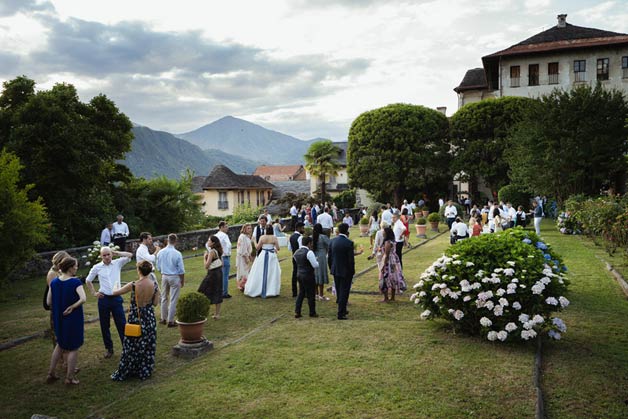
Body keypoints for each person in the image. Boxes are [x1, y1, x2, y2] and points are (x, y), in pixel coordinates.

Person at [111, 260, 160, 381]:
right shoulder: (154, 285)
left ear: (138, 270)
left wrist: (115, 286)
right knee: (147, 344)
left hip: (135, 317)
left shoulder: (133, 285)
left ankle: (129, 368)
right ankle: (144, 369)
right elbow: (155, 303)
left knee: (132, 345)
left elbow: (115, 293)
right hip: (148, 317)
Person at [86, 247, 133, 359]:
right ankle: (109, 349)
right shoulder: (97, 267)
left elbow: (130, 255)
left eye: (108, 254)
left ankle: (126, 348)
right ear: (101, 256)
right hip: (104, 299)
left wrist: (117, 252)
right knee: (104, 325)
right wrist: (94, 293)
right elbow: (88, 280)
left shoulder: (117, 263)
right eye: (104, 255)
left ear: (111, 254)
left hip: (116, 298)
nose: (107, 257)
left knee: (121, 323)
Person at [46, 257, 86, 385]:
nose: (76, 268)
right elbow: (83, 298)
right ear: (69, 267)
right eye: (75, 266)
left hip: (59, 318)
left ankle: (51, 373)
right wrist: (72, 307)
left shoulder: (54, 282)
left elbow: (48, 302)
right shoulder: (75, 282)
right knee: (74, 347)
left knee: (60, 344)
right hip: (73, 318)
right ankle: (69, 377)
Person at [328, 223, 362, 320]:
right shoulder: (348, 243)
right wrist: (352, 270)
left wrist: (331, 267)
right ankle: (341, 312)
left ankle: (342, 308)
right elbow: (350, 259)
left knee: (339, 290)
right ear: (347, 231)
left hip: (335, 269)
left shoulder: (332, 241)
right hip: (345, 270)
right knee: (344, 291)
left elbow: (330, 257)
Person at [156, 233, 185, 327]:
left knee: (164, 297)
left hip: (164, 275)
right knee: (173, 299)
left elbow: (158, 267)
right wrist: (182, 280)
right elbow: (181, 269)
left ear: (167, 240)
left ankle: (163, 318)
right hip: (174, 276)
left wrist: (163, 271)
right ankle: (170, 320)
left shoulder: (160, 252)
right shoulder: (177, 253)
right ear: (175, 241)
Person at [244, 225, 281, 298]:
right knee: (271, 272)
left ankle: (258, 288)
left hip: (263, 255)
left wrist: (254, 241)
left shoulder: (262, 237)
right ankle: (271, 290)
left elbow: (257, 248)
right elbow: (278, 248)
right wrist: (273, 247)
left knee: (259, 272)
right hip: (271, 256)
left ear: (266, 230)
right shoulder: (274, 238)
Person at [45, 251, 70, 348]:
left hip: (63, 304)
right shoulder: (52, 274)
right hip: (57, 306)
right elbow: (54, 292)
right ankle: (61, 357)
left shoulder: (59, 271)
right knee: (58, 333)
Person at [198, 236, 224, 319]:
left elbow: (206, 265)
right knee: (217, 291)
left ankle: (202, 312)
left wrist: (204, 257)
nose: (207, 242)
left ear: (213, 243)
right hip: (219, 272)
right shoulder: (219, 250)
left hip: (212, 274)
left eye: (209, 240)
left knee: (202, 290)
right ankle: (217, 314)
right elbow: (222, 263)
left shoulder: (212, 252)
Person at [294, 236, 319, 318]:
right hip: (308, 274)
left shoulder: (296, 252)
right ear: (309, 243)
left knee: (301, 293)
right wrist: (316, 260)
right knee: (311, 294)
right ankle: (312, 312)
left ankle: (297, 311)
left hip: (299, 274)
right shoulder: (309, 252)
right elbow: (315, 265)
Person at [379, 227, 405, 302]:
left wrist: (384, 264)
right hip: (394, 260)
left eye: (383, 232)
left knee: (385, 277)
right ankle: (392, 297)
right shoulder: (393, 241)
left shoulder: (387, 242)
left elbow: (387, 254)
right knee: (393, 277)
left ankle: (386, 297)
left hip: (389, 261)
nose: (382, 233)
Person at [312, 223, 331, 301]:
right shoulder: (323, 237)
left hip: (314, 256)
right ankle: (321, 295)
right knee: (321, 275)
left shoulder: (312, 237)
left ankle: (316, 294)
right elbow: (330, 244)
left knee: (315, 275)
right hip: (322, 257)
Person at [215, 221, 232, 298]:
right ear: (221, 227)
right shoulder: (224, 235)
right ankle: (224, 293)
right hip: (224, 257)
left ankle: (219, 291)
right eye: (226, 227)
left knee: (219, 276)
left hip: (217, 257)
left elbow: (207, 245)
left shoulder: (215, 235)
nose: (227, 228)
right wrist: (226, 252)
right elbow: (229, 245)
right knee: (225, 276)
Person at [236, 224, 253, 292]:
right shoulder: (242, 237)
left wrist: (249, 256)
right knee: (243, 271)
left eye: (250, 228)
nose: (250, 229)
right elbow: (242, 249)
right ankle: (242, 285)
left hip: (246, 255)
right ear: (244, 229)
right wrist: (246, 257)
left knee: (246, 271)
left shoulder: (247, 237)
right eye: (248, 228)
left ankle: (245, 285)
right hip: (242, 257)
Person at [289, 222, 305, 297]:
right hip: (300, 258)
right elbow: (301, 248)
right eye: (302, 228)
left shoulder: (291, 236)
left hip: (293, 256)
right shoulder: (300, 237)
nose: (303, 230)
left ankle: (294, 292)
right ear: (298, 228)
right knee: (302, 274)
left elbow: (289, 248)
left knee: (294, 273)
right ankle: (303, 291)